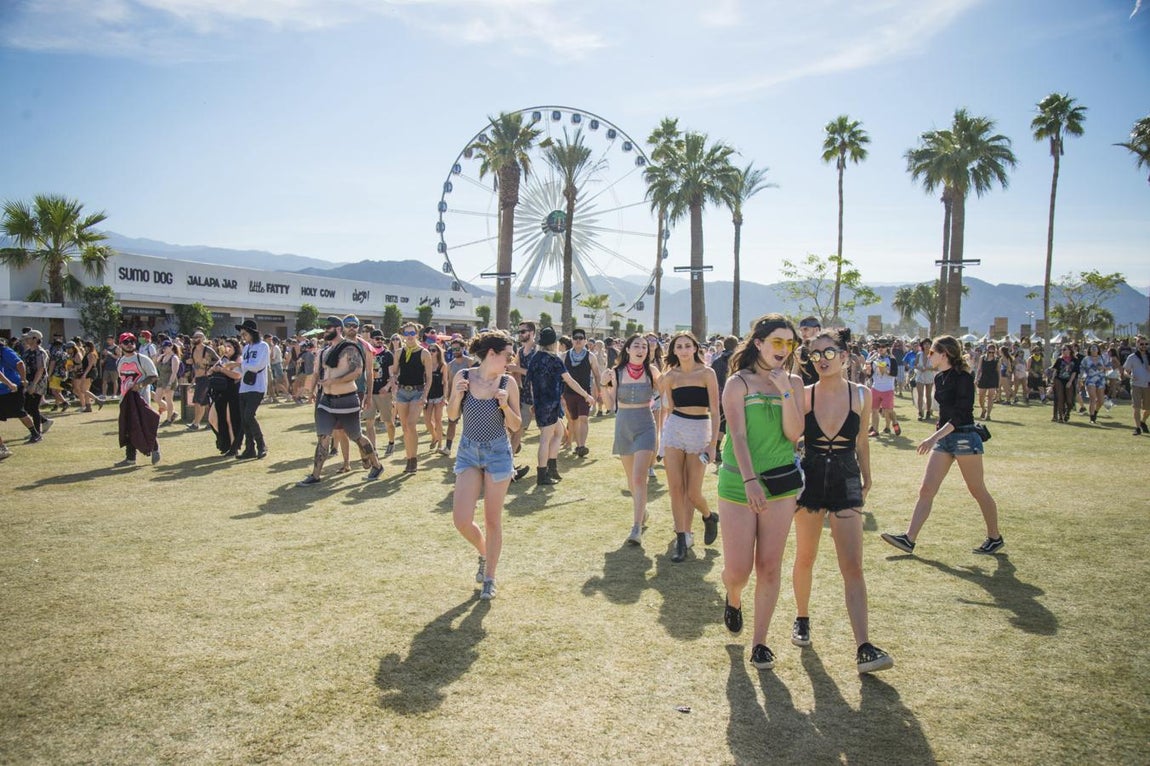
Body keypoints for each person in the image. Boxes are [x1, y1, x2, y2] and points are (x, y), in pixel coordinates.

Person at [791, 330, 893, 674]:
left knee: (852, 565)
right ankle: (802, 618)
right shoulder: (803, 396)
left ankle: (864, 646)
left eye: (829, 352)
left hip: (846, 478)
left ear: (845, 357)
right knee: (805, 556)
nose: (821, 359)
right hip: (811, 480)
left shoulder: (861, 395)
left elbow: (862, 441)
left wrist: (868, 477)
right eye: (814, 353)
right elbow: (791, 441)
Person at [717, 314, 804, 671]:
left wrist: (784, 388)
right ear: (759, 343)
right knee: (739, 570)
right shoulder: (738, 383)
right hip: (739, 482)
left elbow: (793, 434)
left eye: (789, 344)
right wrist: (751, 481)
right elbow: (736, 435)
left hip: (781, 486)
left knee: (769, 566)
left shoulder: (794, 383)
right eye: (777, 342)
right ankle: (733, 597)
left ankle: (760, 643)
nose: (783, 350)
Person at [881, 335, 1003, 556]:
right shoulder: (939, 378)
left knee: (977, 490)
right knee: (926, 489)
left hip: (964, 437)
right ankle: (909, 539)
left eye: (932, 352)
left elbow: (960, 415)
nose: (929, 356)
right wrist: (938, 436)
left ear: (944, 354)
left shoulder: (963, 377)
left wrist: (933, 437)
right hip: (945, 439)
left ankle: (994, 537)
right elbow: (945, 414)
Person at [447, 331, 522, 601]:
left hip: (498, 453)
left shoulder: (507, 382)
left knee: (492, 519)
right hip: (468, 451)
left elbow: (516, 426)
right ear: (492, 354)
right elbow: (452, 416)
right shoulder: (464, 377)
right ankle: (483, 552)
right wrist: (456, 397)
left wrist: (504, 406)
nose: (510, 361)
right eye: (507, 356)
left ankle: (490, 577)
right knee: (461, 520)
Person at [297, 316, 384, 486]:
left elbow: (358, 371)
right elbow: (317, 373)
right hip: (326, 401)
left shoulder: (350, 348)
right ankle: (315, 475)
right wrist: (311, 391)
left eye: (328, 328)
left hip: (347, 400)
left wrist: (334, 382)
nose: (325, 331)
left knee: (357, 436)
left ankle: (376, 465)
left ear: (337, 328)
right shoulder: (325, 350)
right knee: (324, 436)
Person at [659, 331, 720, 562]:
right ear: (673, 351)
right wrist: (663, 384)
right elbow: (668, 406)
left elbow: (715, 410)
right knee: (676, 487)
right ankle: (682, 537)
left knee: (693, 492)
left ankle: (708, 516)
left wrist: (713, 444)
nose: (684, 350)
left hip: (700, 431)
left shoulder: (707, 373)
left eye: (687, 346)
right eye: (679, 347)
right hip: (675, 428)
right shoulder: (671, 376)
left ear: (695, 348)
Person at [526, 327, 594, 486]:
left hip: (543, 404)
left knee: (559, 433)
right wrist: (586, 395)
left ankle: (552, 467)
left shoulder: (535, 358)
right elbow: (569, 381)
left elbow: (529, 383)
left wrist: (534, 403)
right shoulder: (555, 360)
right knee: (546, 439)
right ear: (553, 343)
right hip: (550, 404)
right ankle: (542, 474)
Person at [610, 334, 661, 546]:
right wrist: (607, 386)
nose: (641, 349)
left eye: (644, 347)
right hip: (623, 425)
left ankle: (636, 527)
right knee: (631, 480)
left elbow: (664, 397)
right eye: (636, 346)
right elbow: (610, 403)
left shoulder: (653, 371)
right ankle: (643, 512)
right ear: (628, 349)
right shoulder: (616, 372)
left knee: (640, 478)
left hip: (645, 426)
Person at [114, 332, 160, 467]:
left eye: (132, 342)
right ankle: (130, 458)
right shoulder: (120, 361)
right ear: (121, 344)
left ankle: (155, 449)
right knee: (128, 427)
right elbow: (121, 379)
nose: (130, 344)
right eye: (126, 342)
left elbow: (153, 376)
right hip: (125, 399)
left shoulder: (143, 359)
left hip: (141, 399)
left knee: (145, 425)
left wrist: (139, 385)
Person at [391, 321, 431, 473]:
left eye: (412, 333)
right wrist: (393, 382)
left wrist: (425, 396)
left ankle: (413, 459)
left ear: (417, 334)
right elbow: (395, 372)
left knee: (411, 424)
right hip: (402, 392)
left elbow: (429, 378)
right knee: (405, 428)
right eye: (406, 333)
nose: (409, 336)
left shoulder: (424, 353)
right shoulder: (399, 352)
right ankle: (409, 458)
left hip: (417, 392)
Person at [0, 337, 42, 460]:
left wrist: (23, 380)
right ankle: (2, 448)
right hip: (4, 388)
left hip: (13, 388)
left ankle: (35, 433)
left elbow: (20, 363)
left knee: (19, 411)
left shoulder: (5, 351)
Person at [562, 329, 601, 457]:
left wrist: (599, 391)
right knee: (573, 420)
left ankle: (581, 446)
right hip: (568, 394)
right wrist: (560, 394)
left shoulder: (591, 356)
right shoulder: (564, 356)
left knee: (583, 418)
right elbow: (559, 377)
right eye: (575, 338)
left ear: (585, 340)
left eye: (580, 338)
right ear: (572, 340)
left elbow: (596, 374)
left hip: (585, 394)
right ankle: (575, 444)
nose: (578, 340)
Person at [235, 319, 269, 460]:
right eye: (242, 334)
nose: (243, 336)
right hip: (244, 387)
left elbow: (258, 365)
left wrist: (242, 363)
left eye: (245, 333)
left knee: (249, 416)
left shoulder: (263, 346)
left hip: (258, 386)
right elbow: (244, 368)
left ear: (252, 333)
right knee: (244, 419)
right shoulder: (246, 348)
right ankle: (250, 449)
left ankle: (261, 445)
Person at [209, 338, 243, 455]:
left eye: (230, 346)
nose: (227, 348)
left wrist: (223, 370)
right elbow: (209, 372)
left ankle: (234, 446)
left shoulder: (237, 359)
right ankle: (225, 441)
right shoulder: (223, 359)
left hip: (233, 391)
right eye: (225, 346)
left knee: (231, 420)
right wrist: (215, 369)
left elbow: (237, 375)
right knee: (213, 419)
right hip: (220, 392)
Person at [365, 330, 396, 456]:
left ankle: (391, 442)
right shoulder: (367, 353)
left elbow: (392, 375)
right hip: (370, 393)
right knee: (369, 422)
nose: (380, 341)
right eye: (377, 338)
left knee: (388, 422)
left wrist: (387, 386)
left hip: (384, 393)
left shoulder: (388, 354)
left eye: (382, 339)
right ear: (371, 339)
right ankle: (373, 449)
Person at [20, 330, 52, 438]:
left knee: (32, 407)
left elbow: (40, 369)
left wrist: (34, 384)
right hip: (29, 381)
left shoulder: (40, 352)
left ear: (35, 339)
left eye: (29, 338)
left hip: (38, 382)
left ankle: (37, 433)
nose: (26, 340)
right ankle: (44, 421)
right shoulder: (28, 352)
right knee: (27, 406)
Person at [866, 340, 901, 437]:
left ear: (887, 348)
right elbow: (870, 375)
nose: (881, 348)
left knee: (888, 411)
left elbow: (895, 373)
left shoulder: (891, 359)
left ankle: (894, 421)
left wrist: (886, 371)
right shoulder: (873, 359)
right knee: (874, 410)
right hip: (875, 387)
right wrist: (868, 371)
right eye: (879, 346)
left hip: (888, 388)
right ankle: (875, 430)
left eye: (883, 346)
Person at [187, 331, 219, 430]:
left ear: (201, 339)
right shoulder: (193, 350)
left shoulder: (208, 350)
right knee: (204, 403)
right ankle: (209, 423)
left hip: (206, 378)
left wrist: (208, 363)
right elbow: (195, 366)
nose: (194, 339)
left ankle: (196, 424)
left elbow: (219, 361)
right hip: (198, 378)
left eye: (196, 337)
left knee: (198, 402)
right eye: (194, 337)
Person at [424, 343, 448, 454]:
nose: (431, 352)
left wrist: (445, 397)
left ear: (438, 352)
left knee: (438, 420)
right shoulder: (425, 364)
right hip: (428, 396)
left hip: (439, 395)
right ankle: (435, 436)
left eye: (433, 350)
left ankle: (440, 444)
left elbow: (446, 382)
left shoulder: (442, 365)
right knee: (427, 421)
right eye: (429, 350)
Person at [1123, 338, 1149, 436]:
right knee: (1136, 407)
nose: (1144, 346)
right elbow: (1125, 371)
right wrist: (1130, 376)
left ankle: (1143, 421)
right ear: (1138, 344)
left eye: (1146, 344)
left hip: (1148, 385)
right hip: (1136, 385)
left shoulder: (1149, 356)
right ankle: (1137, 428)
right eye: (1142, 344)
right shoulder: (1132, 357)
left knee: (1148, 409)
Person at [154, 339, 182, 426]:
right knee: (157, 398)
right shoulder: (162, 356)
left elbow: (174, 372)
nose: (164, 349)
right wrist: (158, 353)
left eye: (165, 347)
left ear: (171, 347)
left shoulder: (174, 358)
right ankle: (173, 413)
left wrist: (169, 384)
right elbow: (154, 362)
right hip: (161, 380)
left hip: (170, 381)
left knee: (169, 399)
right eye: (163, 348)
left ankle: (169, 419)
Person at [1049, 345, 1078, 423]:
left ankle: (1067, 412)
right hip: (1059, 379)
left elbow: (1075, 372)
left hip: (1069, 380)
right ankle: (1060, 416)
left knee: (1069, 400)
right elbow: (1055, 371)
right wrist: (1052, 383)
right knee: (1060, 397)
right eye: (1062, 350)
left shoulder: (1075, 360)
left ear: (1069, 350)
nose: (1063, 351)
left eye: (1064, 349)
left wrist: (1070, 382)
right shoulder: (1059, 360)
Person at [1079, 344, 1108, 424]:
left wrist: (1103, 368)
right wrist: (1079, 378)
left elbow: (1110, 367)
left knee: (1101, 401)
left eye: (1095, 348)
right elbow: (1081, 369)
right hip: (1090, 380)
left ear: (1098, 350)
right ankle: (1092, 418)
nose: (1094, 350)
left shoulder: (1103, 358)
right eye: (1092, 348)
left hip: (1101, 379)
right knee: (1092, 398)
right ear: (1090, 350)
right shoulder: (1086, 359)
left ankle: (1095, 411)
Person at [975, 343, 1000, 421]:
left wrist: (998, 383)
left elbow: (998, 371)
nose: (991, 354)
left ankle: (988, 415)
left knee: (990, 397)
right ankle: (983, 409)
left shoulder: (997, 360)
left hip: (993, 379)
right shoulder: (982, 358)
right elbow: (979, 369)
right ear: (987, 351)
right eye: (990, 352)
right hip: (983, 378)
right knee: (981, 397)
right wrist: (976, 378)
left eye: (993, 352)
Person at [913, 338, 937, 420]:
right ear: (922, 345)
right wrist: (919, 368)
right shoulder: (919, 354)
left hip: (929, 376)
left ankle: (928, 411)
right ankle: (920, 412)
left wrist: (928, 368)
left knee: (928, 395)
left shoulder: (933, 354)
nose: (926, 345)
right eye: (925, 344)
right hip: (920, 376)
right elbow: (915, 365)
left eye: (928, 344)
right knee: (920, 395)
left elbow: (936, 367)